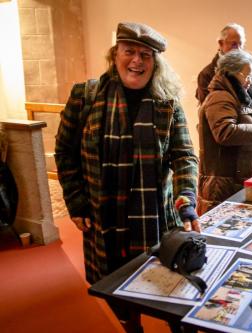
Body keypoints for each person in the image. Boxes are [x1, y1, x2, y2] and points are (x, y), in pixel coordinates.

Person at [55, 22, 200, 286]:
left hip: (155, 220)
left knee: (161, 282)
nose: (137, 60)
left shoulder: (168, 104)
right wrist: (76, 202)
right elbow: (65, 151)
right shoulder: (84, 96)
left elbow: (184, 156)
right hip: (102, 219)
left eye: (145, 54)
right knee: (113, 284)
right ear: (114, 55)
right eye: (128, 51)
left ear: (155, 63)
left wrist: (187, 198)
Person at [197, 49, 252, 214]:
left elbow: (241, 133)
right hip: (222, 183)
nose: (250, 80)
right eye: (247, 76)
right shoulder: (220, 97)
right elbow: (225, 132)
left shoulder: (237, 96)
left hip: (234, 179)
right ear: (232, 73)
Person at [196, 23, 252, 125]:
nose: (238, 49)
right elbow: (209, 111)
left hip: (251, 131)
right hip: (224, 133)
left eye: (241, 44)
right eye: (234, 44)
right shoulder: (206, 74)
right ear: (221, 43)